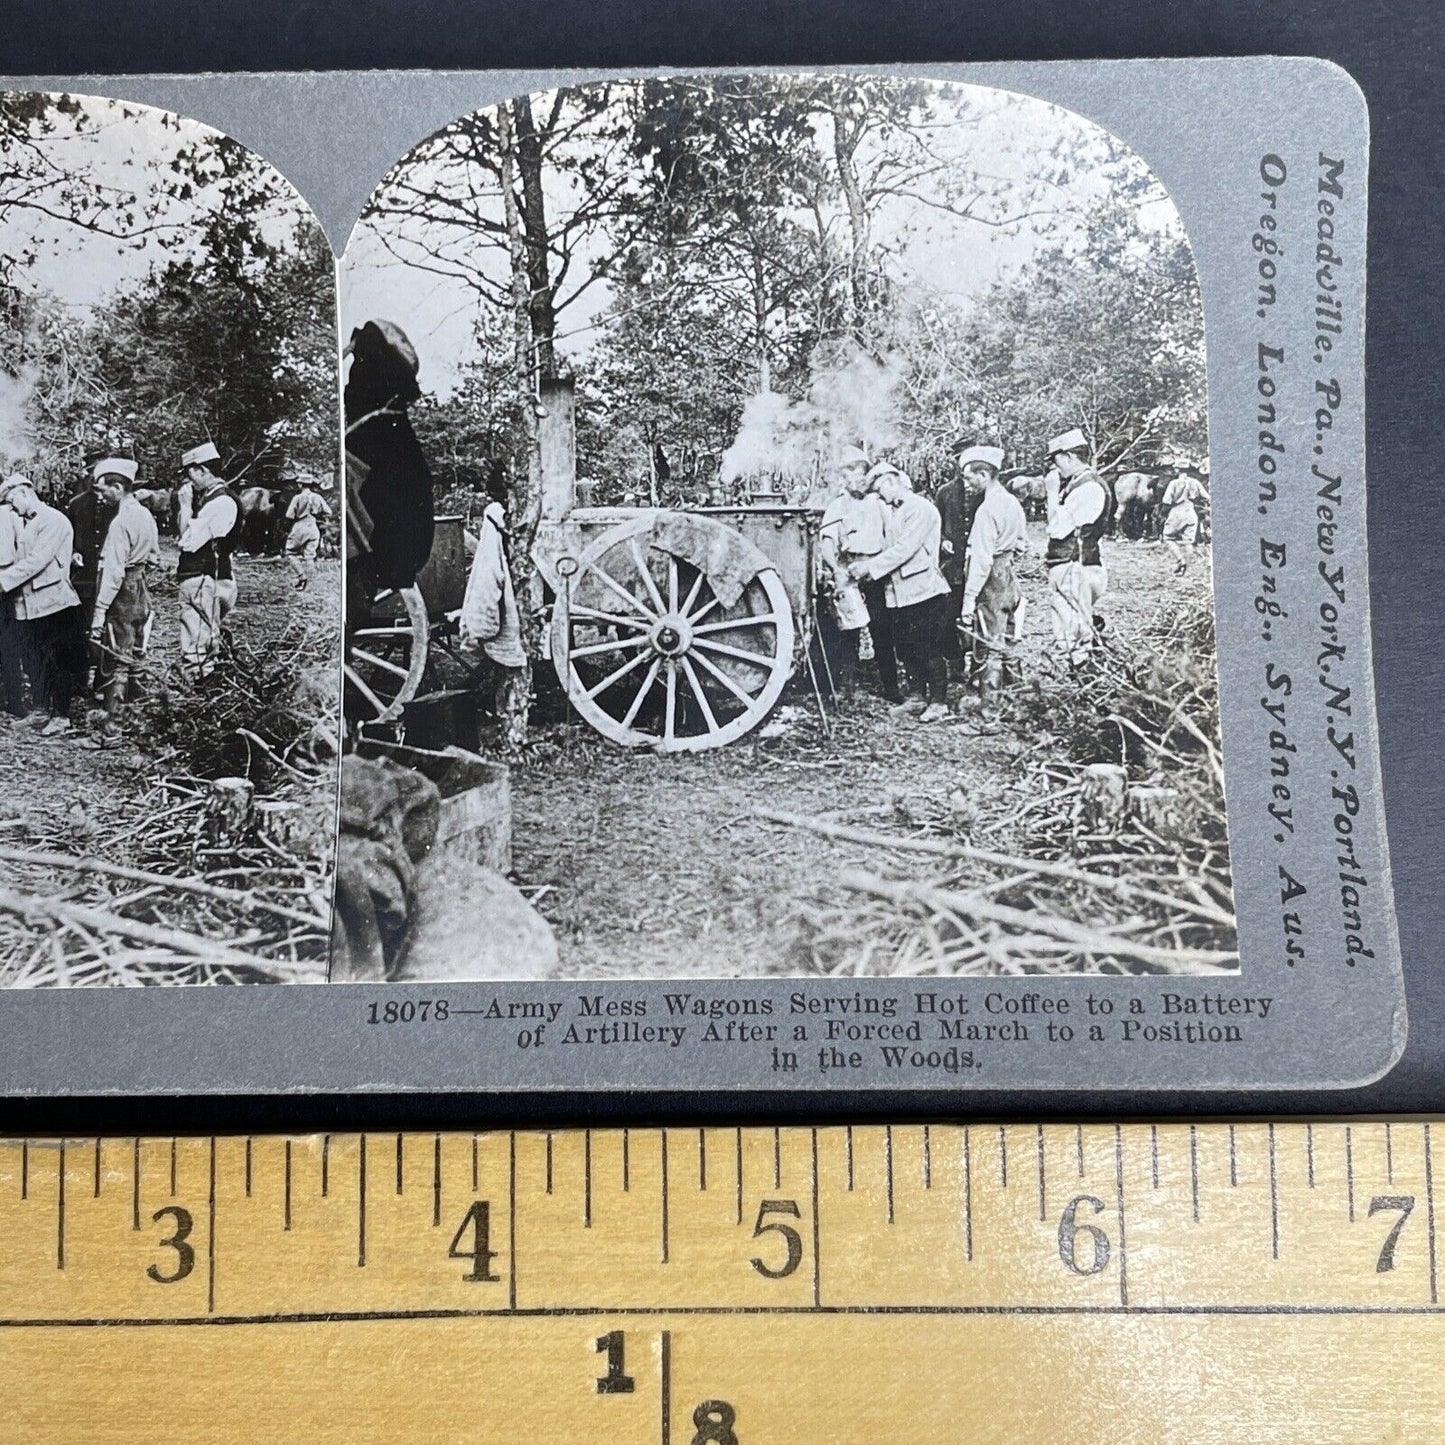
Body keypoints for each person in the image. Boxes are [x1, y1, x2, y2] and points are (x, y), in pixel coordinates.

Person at [848, 462, 951, 722]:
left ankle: (939, 702)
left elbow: (905, 549)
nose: (879, 495)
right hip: (899, 593)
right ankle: (917, 697)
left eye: (880, 488)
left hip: (924, 590)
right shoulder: (895, 512)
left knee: (928, 647)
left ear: (892, 481)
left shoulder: (921, 510)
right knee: (907, 647)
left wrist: (869, 568)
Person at [83, 459, 160, 750]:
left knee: (116, 659)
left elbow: (113, 573)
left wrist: (99, 612)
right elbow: (154, 556)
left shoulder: (120, 522)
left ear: (118, 486)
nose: (101, 497)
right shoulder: (145, 515)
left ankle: (112, 731)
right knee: (137, 658)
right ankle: (138, 725)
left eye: (104, 491)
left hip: (122, 594)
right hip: (140, 588)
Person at [0, 474, 85, 736]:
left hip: (55, 603)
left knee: (59, 662)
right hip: (30, 606)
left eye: (12, 501)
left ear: (25, 492)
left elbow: (37, 561)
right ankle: (40, 710)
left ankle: (61, 715)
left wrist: (2, 581)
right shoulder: (28, 523)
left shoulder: (54, 520)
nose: (11, 508)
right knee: (36, 660)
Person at [956, 445, 1028, 698]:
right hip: (1007, 574)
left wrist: (968, 599)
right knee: (1008, 634)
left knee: (988, 639)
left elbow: (982, 561)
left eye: (969, 477)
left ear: (984, 475)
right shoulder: (1012, 502)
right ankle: (1017, 694)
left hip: (991, 578)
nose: (966, 484)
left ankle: (989, 704)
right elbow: (1022, 542)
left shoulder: (986, 510)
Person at [1044, 428, 1114, 672]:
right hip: (1076, 564)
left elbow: (1056, 529)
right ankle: (1079, 681)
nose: (1055, 467)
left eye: (1055, 460)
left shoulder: (1088, 487)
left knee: (1073, 631)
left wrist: (1051, 492)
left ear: (1068, 456)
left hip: (1075, 566)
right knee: (1072, 627)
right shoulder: (1081, 483)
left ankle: (1084, 684)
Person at [815, 445, 881, 700]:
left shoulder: (877, 503)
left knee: (882, 627)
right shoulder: (837, 506)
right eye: (852, 470)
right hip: (848, 571)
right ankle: (846, 686)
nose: (858, 476)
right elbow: (827, 544)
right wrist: (837, 570)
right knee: (848, 632)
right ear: (843, 476)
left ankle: (887, 684)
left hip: (876, 571)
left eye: (862, 470)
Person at [176, 442, 241, 682]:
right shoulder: (215, 499)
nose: (188, 481)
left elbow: (187, 542)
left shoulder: (220, 502)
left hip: (203, 577)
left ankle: (202, 691)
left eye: (189, 473)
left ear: (202, 470)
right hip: (213, 576)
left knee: (197, 643)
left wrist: (184, 507)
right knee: (206, 636)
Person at [457, 500, 526, 713]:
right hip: (503, 617)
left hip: (507, 615)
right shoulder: (494, 546)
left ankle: (505, 707)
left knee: (507, 669)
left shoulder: (497, 543)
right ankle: (503, 708)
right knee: (505, 669)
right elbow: (487, 588)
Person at [68, 459, 119, 700]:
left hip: (109, 578)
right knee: (79, 631)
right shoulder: (76, 504)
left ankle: (102, 685)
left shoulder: (119, 506)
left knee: (107, 631)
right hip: (82, 580)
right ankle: (79, 684)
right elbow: (68, 537)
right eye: (93, 474)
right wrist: (73, 553)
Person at [934, 448, 979, 678]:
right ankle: (955, 663)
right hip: (952, 566)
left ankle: (981, 668)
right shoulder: (945, 492)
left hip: (979, 565)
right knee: (949, 615)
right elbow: (936, 525)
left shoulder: (984, 491)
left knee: (980, 615)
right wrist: (943, 541)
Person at [0, 495, 27, 721]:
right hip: (7, 582)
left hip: (5, 582)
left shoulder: (10, 516)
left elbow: (21, 550)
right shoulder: (10, 515)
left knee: (8, 644)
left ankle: (15, 700)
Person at [283, 472, 332, 590]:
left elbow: (289, 515)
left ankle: (302, 576)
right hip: (313, 527)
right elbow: (328, 512)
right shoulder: (317, 497)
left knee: (290, 552)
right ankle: (312, 583)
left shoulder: (297, 498)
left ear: (301, 484)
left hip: (300, 526)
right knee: (310, 555)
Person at [1160, 466, 1207, 574]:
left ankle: (1181, 561)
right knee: (1188, 541)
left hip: (1177, 512)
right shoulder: (1195, 482)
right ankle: (1188, 568)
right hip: (1191, 512)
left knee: (1168, 538)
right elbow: (1206, 497)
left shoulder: (1174, 483)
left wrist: (1163, 513)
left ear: (1177, 470)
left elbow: (1166, 501)